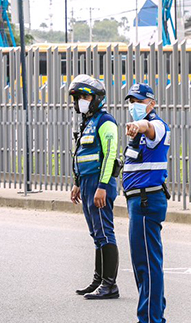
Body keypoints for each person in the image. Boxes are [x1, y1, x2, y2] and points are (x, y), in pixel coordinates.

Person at [68, 74, 121, 300]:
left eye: (85, 95)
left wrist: (102, 186)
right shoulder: (87, 122)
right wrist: (77, 183)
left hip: (101, 183)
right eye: (78, 96)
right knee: (96, 233)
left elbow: (110, 154)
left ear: (96, 98)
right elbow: (82, 154)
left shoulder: (105, 121)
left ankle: (110, 285)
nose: (81, 99)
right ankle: (98, 280)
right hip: (88, 183)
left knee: (105, 232)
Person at [123, 83, 170, 323]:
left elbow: (148, 127)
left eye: (139, 102)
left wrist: (138, 125)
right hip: (139, 201)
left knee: (147, 266)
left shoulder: (157, 125)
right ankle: (155, 314)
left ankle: (151, 319)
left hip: (146, 200)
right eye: (131, 102)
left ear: (152, 103)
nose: (134, 106)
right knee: (144, 265)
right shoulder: (134, 135)